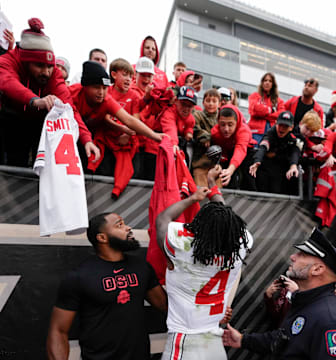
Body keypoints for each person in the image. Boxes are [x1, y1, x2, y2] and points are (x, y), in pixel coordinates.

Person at [156, 166, 252, 360]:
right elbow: (227, 222)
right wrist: (213, 187)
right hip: (214, 340)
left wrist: (192, 199)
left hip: (185, 341)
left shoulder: (183, 247)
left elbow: (162, 219)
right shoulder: (240, 244)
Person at [47, 213, 167, 360]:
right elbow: (58, 331)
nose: (128, 228)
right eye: (120, 225)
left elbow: (164, 305)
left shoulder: (141, 267)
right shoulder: (79, 277)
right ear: (102, 238)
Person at [0, 18, 99, 167]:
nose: (46, 72)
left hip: (38, 123)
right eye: (40, 66)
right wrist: (35, 100)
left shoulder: (54, 74)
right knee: (15, 159)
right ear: (26, 61)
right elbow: (9, 83)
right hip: (10, 119)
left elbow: (69, 108)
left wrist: (86, 139)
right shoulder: (8, 60)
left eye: (49, 66)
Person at [223, 228, 336, 359]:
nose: (293, 257)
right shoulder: (306, 300)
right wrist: (242, 340)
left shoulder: (329, 319)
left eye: (302, 255)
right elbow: (284, 339)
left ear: (317, 269)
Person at [69, 60, 165, 170]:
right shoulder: (71, 95)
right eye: (96, 87)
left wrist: (154, 136)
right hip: (75, 137)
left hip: (91, 139)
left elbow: (129, 120)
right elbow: (77, 121)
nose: (101, 92)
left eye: (104, 88)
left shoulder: (106, 99)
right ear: (85, 86)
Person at [88, 58, 140, 198]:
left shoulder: (134, 96)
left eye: (131, 76)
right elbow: (104, 118)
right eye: (125, 74)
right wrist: (123, 130)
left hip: (124, 141)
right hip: (107, 137)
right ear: (114, 74)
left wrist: (127, 135)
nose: (129, 79)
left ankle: (117, 191)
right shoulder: (106, 91)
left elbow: (136, 119)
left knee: (126, 167)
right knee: (102, 166)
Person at [249, 111, 301, 194]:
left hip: (279, 171)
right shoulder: (270, 133)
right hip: (265, 169)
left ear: (291, 127)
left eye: (286, 126)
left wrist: (293, 165)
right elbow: (263, 146)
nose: (282, 128)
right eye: (280, 125)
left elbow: (295, 151)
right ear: (276, 123)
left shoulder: (292, 137)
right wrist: (257, 161)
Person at [211, 105, 253, 188]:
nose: (226, 129)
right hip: (226, 155)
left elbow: (240, 149)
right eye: (222, 124)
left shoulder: (243, 131)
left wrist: (230, 170)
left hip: (246, 155)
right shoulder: (215, 133)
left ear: (237, 123)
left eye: (230, 125)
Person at [192, 88, 220, 186]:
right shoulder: (198, 115)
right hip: (200, 163)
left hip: (216, 165)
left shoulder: (221, 119)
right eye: (208, 101)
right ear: (203, 102)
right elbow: (194, 126)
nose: (211, 104)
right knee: (200, 190)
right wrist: (204, 136)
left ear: (219, 104)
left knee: (218, 192)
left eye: (214, 101)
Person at [159, 85, 196, 158]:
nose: (186, 108)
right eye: (183, 104)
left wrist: (188, 132)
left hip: (172, 147)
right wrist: (173, 143)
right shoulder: (169, 112)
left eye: (190, 106)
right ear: (175, 101)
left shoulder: (190, 117)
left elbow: (190, 125)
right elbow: (170, 128)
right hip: (156, 148)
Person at [248, 72, 285, 144]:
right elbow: (255, 110)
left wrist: (264, 114)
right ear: (262, 83)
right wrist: (270, 110)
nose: (267, 83)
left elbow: (281, 114)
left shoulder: (278, 100)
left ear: (273, 84)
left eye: (270, 81)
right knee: (255, 153)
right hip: (256, 132)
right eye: (265, 80)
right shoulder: (254, 96)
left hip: (272, 132)